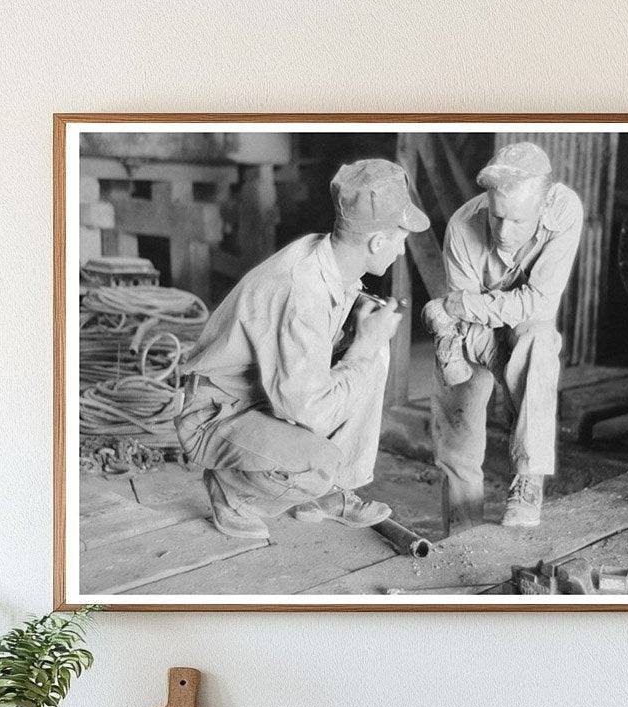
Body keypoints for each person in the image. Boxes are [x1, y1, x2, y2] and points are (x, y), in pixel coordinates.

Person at [175, 158, 429, 542]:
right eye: (401, 237)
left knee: (375, 353)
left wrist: (359, 330)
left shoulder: (329, 257)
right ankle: (233, 492)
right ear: (377, 241)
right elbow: (309, 411)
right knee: (319, 462)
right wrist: (361, 345)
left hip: (259, 396)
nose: (400, 248)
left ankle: (329, 495)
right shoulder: (301, 290)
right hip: (216, 413)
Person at [426, 141, 584, 532]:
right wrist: (456, 317)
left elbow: (541, 304)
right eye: (497, 217)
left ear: (543, 205)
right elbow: (461, 324)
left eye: (517, 221)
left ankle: (528, 480)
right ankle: (462, 534)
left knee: (539, 340)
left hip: (514, 322)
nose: (503, 231)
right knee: (458, 434)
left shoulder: (564, 210)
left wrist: (463, 305)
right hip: (472, 334)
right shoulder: (464, 226)